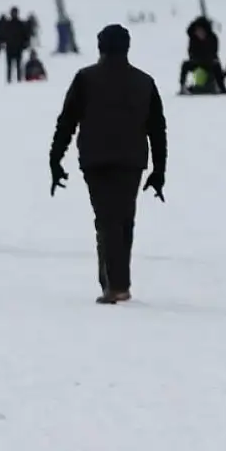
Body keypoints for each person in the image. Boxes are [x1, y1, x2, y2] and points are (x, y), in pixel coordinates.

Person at [49, 24, 167, 304]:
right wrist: (159, 170)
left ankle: (115, 284)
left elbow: (66, 121)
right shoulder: (144, 81)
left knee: (107, 219)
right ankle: (118, 282)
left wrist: (55, 158)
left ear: (100, 46)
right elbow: (157, 129)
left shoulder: (86, 79)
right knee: (123, 218)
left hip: (95, 159)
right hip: (132, 160)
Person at [179, 16, 226, 94]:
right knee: (185, 65)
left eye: (201, 30)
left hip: (209, 62)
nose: (199, 32)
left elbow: (214, 52)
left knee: (216, 65)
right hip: (197, 62)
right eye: (197, 30)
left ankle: (222, 88)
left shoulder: (213, 38)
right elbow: (191, 52)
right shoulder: (193, 39)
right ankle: (182, 87)